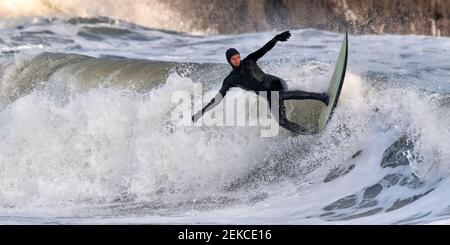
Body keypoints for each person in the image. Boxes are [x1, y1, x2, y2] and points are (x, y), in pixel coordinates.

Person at [192, 31, 329, 134]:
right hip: (268, 95)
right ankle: (309, 132)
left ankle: (321, 96)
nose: (237, 60)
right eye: (233, 59)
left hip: (276, 84)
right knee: (281, 122)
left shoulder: (250, 60)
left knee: (279, 95)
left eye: (238, 57)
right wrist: (201, 112)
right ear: (229, 61)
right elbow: (218, 98)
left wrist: (276, 38)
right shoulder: (230, 80)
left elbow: (264, 49)